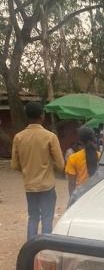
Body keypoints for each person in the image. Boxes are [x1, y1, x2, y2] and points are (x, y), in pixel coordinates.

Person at [11, 101, 65, 239]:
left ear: (27, 116)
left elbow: (15, 165)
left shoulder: (19, 137)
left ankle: (31, 247)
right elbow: (60, 164)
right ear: (42, 116)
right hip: (47, 186)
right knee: (47, 218)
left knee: (33, 217)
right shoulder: (50, 137)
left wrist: (28, 170)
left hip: (30, 186)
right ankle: (45, 249)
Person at [65, 126, 99, 196]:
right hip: (96, 193)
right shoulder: (101, 156)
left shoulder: (73, 158)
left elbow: (71, 183)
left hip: (80, 195)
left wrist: (71, 199)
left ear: (80, 141)